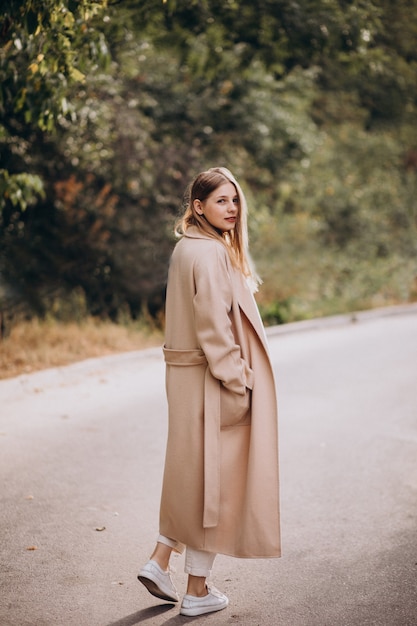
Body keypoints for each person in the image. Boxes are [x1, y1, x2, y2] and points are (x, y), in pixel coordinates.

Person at [138, 167, 281, 617]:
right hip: (213, 382)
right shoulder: (212, 254)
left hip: (186, 381)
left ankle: (162, 563)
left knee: (195, 477)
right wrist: (239, 377)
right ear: (198, 206)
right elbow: (215, 326)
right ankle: (196, 592)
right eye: (221, 201)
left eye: (235, 201)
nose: (232, 209)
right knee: (214, 488)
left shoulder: (186, 248)